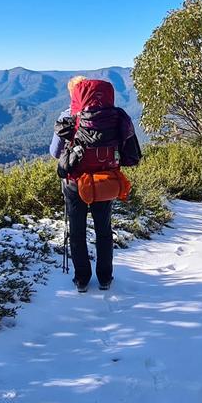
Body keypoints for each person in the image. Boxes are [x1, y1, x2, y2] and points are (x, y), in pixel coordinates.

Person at [50, 76, 142, 292]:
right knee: (103, 230)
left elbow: (55, 152)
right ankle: (105, 278)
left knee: (78, 231)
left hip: (75, 183)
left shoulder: (68, 117)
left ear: (75, 94)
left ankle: (82, 279)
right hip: (106, 181)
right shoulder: (115, 116)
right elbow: (128, 150)